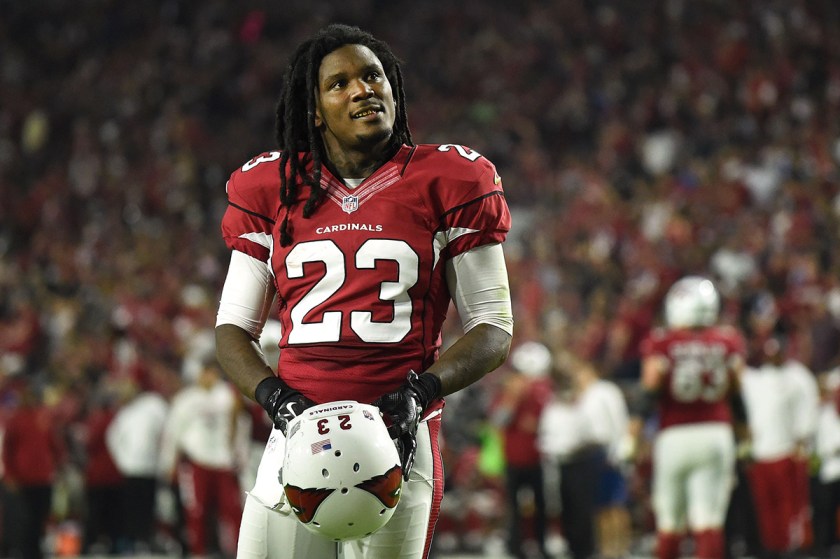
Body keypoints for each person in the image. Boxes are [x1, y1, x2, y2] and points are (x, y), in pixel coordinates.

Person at [213, 22, 513, 559]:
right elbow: (233, 328)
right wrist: (276, 399)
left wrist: (420, 393)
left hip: (398, 439)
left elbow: (493, 327)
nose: (362, 90)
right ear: (314, 110)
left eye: (374, 76)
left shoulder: (449, 179)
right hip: (297, 435)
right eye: (339, 83)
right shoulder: (273, 188)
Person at [630, 276, 746, 559]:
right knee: (709, 521)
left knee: (670, 521)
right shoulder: (728, 340)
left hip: (674, 436)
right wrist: (745, 436)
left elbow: (649, 392)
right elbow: (737, 395)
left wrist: (632, 435)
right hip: (717, 434)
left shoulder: (662, 341)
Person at [158, 354, 249, 558]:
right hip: (196, 461)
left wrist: (239, 454)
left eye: (212, 372)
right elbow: (173, 432)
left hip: (223, 461)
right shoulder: (186, 399)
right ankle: (198, 552)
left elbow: (240, 425)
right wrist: (169, 462)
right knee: (197, 511)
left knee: (232, 509)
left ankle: (237, 552)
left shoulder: (227, 395)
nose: (209, 376)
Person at [740, 331, 820, 558]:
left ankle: (794, 547)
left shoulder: (797, 376)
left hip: (787, 450)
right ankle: (772, 547)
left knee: (791, 506)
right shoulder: (754, 379)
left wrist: (804, 439)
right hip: (760, 453)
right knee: (766, 508)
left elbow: (809, 408)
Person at [490, 341, 554, 559]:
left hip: (538, 457)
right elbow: (497, 422)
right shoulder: (509, 392)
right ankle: (515, 547)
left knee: (542, 505)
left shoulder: (544, 390)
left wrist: (537, 426)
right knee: (513, 506)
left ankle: (541, 545)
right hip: (513, 458)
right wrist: (512, 398)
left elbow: (551, 421)